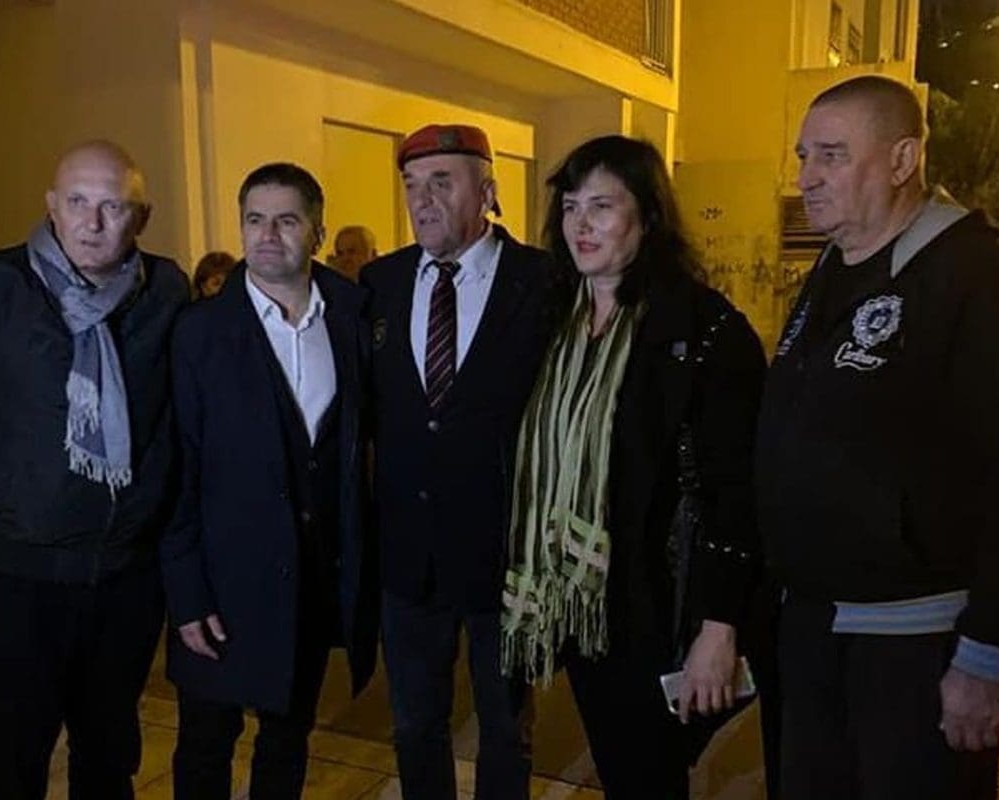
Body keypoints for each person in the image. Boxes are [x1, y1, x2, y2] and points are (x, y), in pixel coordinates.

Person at [0, 140, 189, 799]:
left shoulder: (165, 293)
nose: (92, 223)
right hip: (4, 578)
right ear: (51, 207)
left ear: (141, 218)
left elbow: (175, 417)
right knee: (9, 763)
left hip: (120, 578)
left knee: (109, 759)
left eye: (112, 206)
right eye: (78, 202)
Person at [758, 75, 999, 800]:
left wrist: (988, 653)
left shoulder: (976, 274)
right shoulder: (832, 269)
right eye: (804, 156)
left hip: (918, 648)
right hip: (816, 635)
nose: (807, 177)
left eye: (832, 155)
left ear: (903, 160)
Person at [499, 135, 766, 798]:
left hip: (659, 610)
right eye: (570, 207)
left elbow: (735, 494)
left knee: (649, 777)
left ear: (648, 216)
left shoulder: (702, 329)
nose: (580, 225)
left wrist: (718, 628)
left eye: (602, 206)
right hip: (584, 604)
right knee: (625, 772)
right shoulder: (554, 320)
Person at [162, 162, 379, 799]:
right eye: (254, 220)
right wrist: (186, 595)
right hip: (221, 587)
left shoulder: (353, 319)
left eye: (286, 221)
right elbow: (178, 469)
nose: (267, 235)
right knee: (205, 747)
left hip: (310, 582)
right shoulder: (199, 331)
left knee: (286, 742)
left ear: (317, 232)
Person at [360, 124, 555, 800]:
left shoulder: (544, 283)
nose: (423, 200)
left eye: (442, 182)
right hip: (408, 555)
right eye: (412, 185)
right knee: (415, 725)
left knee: (506, 728)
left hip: (506, 555)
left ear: (488, 190)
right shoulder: (380, 283)